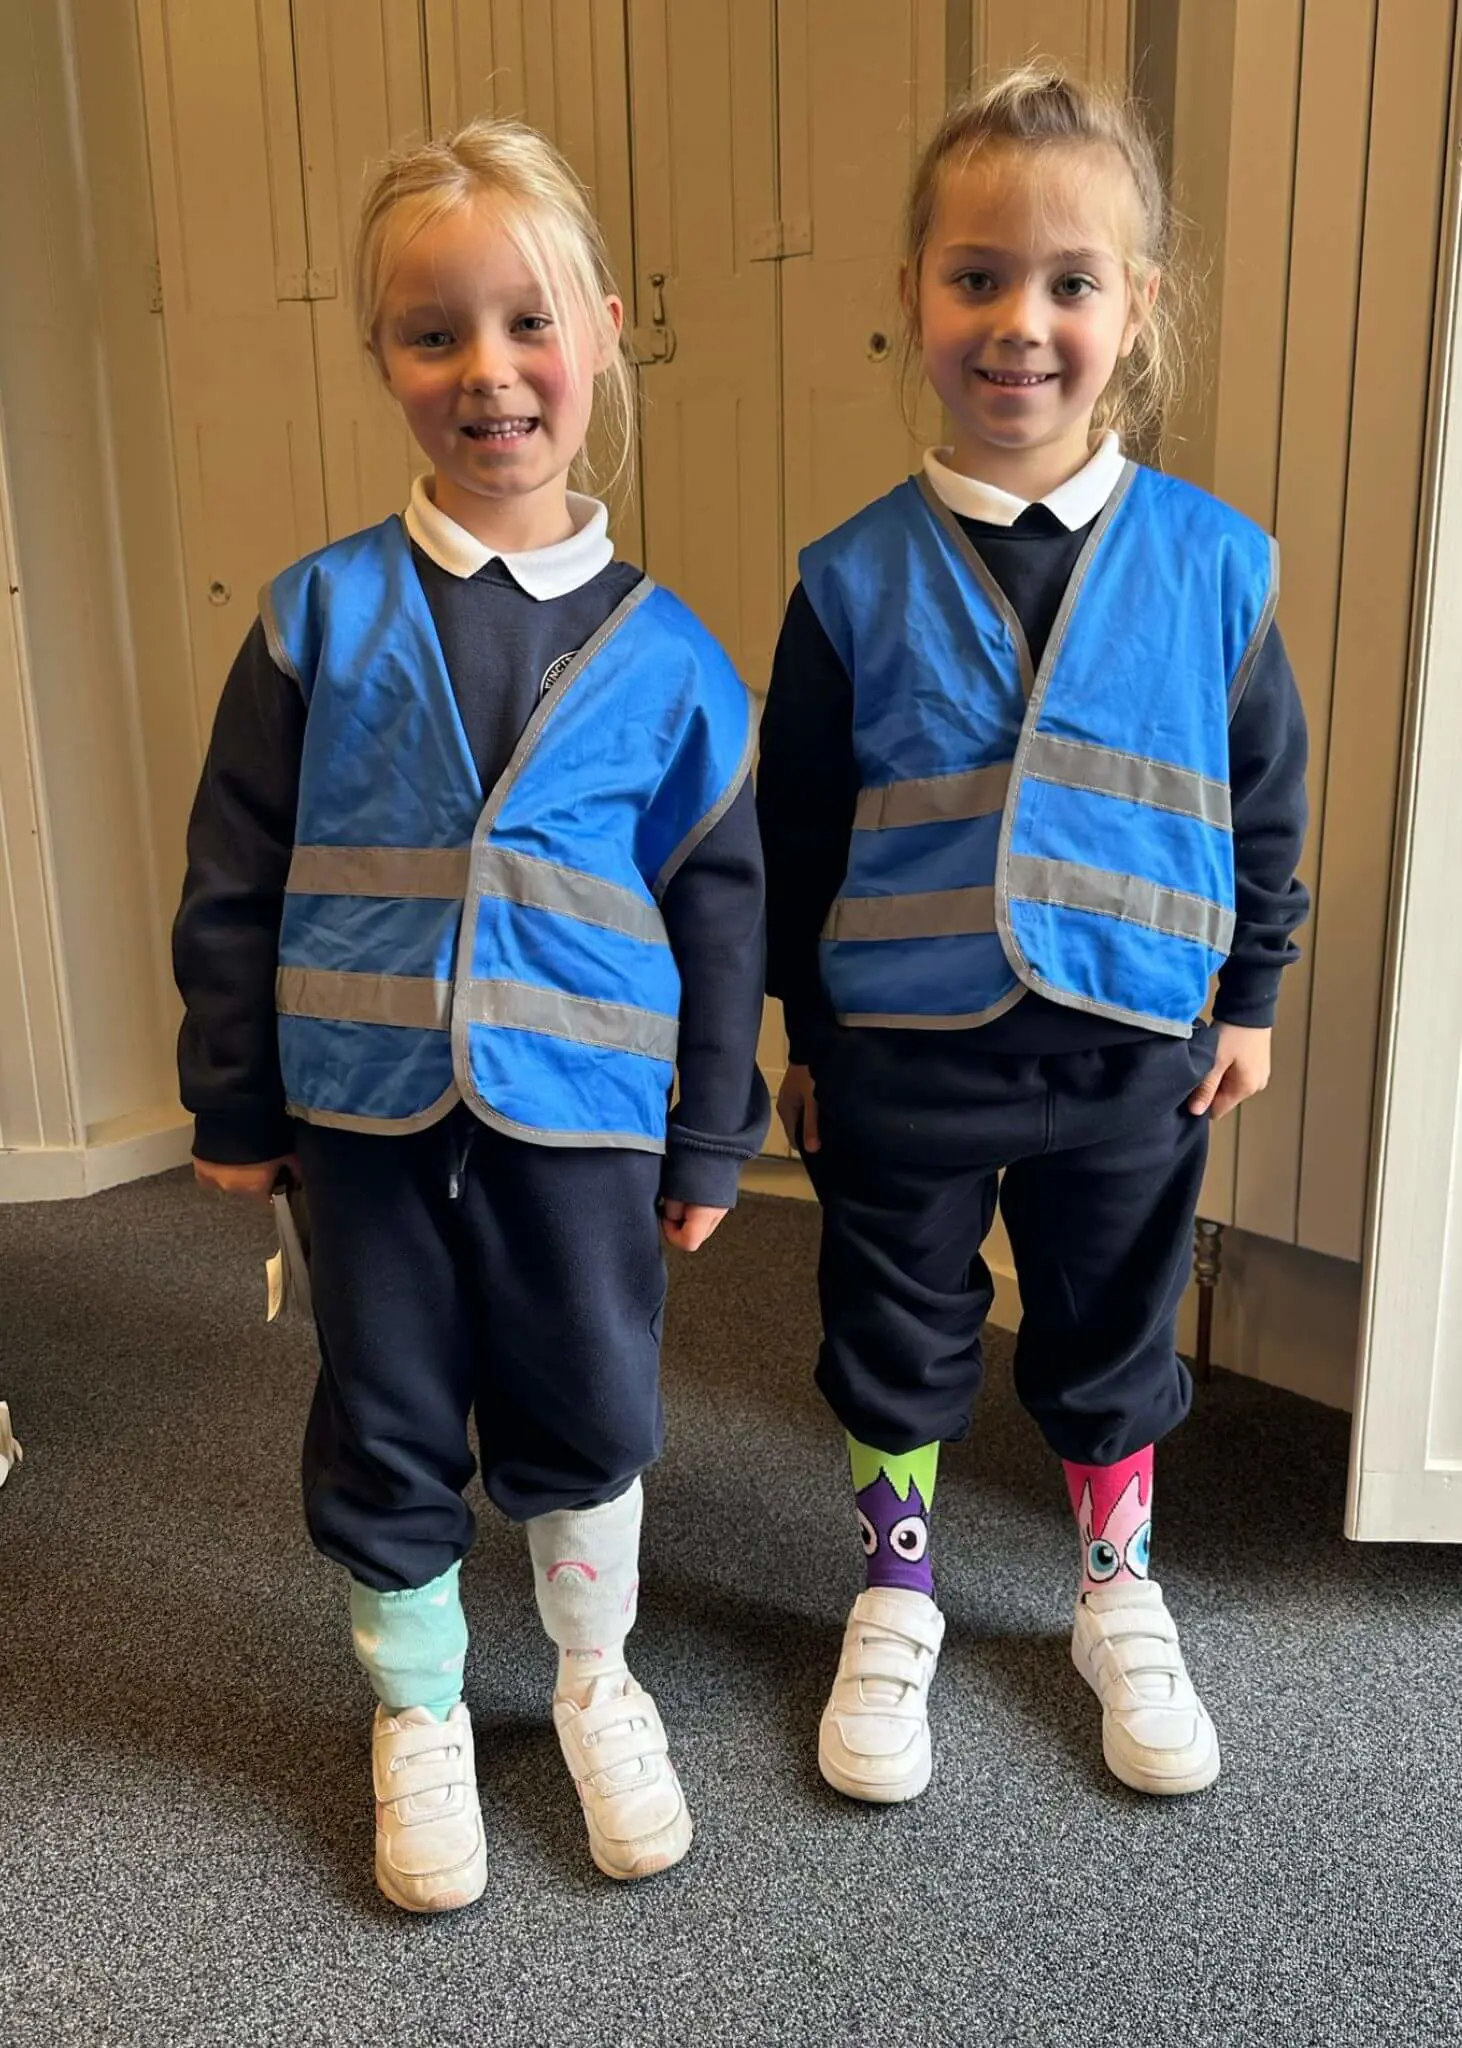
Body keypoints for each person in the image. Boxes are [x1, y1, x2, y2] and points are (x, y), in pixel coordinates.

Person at [174, 117, 768, 1907]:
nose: (488, 373)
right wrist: (232, 1101)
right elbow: (234, 869)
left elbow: (719, 908)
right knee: (389, 1404)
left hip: (583, 1121)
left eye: (525, 326)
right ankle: (418, 1711)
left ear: (596, 332)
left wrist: (710, 1125)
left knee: (589, 1398)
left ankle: (594, 1678)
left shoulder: (674, 656)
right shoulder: (317, 616)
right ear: (383, 362)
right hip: (356, 1116)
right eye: (433, 334)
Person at [757, 66, 1308, 1804]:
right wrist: (801, 1037)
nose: (1021, 323)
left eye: (1071, 281)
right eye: (976, 277)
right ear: (912, 302)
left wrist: (1252, 994)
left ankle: (1110, 1584)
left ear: (1135, 309)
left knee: (1111, 1322)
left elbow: (1262, 797)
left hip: (1135, 1035)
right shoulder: (846, 580)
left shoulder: (1214, 566)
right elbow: (795, 831)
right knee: (894, 1320)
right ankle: (898, 1585)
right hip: (903, 1044)